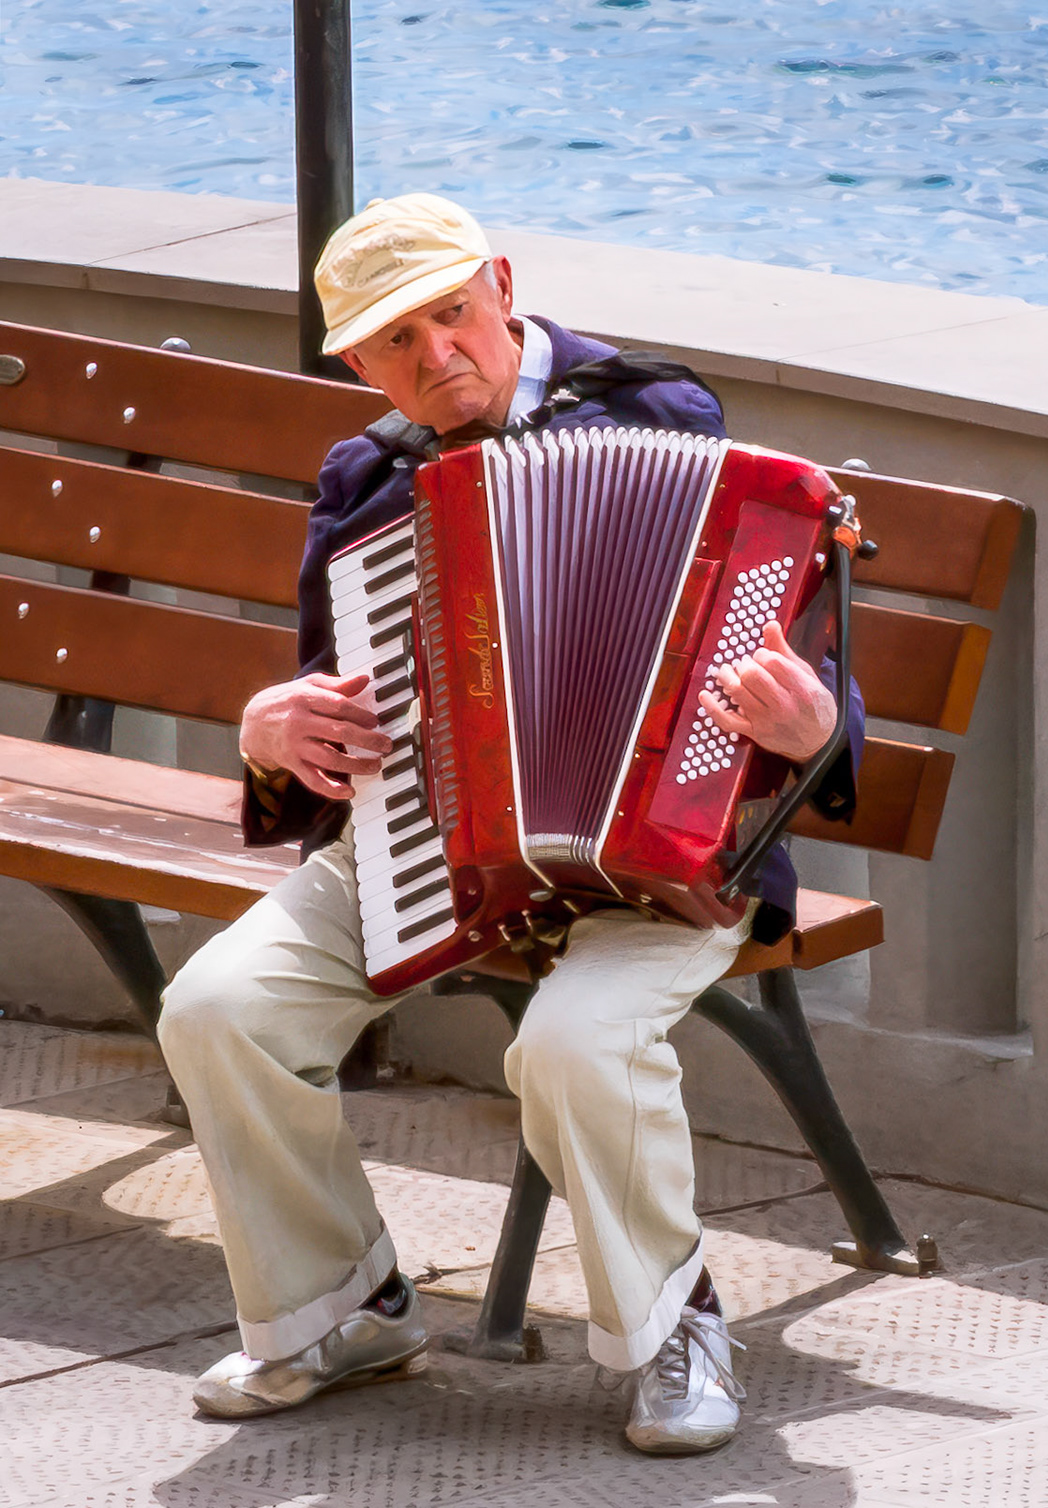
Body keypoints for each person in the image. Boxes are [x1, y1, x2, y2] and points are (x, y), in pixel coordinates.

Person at [156, 193, 861, 1454]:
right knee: (220, 1006)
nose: (436, 358)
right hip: (431, 847)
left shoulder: (655, 414)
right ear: (352, 363)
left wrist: (815, 732)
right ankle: (339, 1309)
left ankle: (676, 1329)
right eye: (394, 342)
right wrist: (269, 730)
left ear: (502, 283)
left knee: (574, 1043)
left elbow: (780, 633)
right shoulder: (365, 477)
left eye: (451, 314)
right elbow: (334, 727)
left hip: (669, 858)